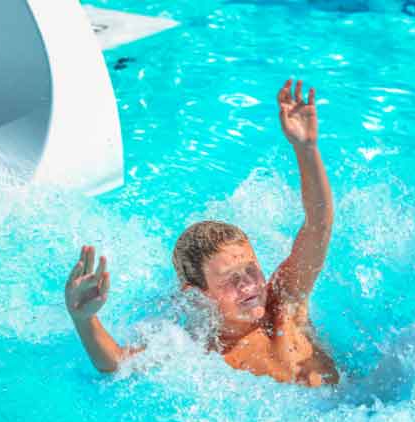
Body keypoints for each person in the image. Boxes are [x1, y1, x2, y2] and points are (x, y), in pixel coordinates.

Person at [65, 79, 340, 388]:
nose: (248, 285)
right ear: (199, 296)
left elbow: (319, 223)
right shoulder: (202, 354)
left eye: (251, 270)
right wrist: (83, 319)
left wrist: (307, 149)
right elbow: (116, 366)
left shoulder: (285, 302)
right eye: (230, 280)